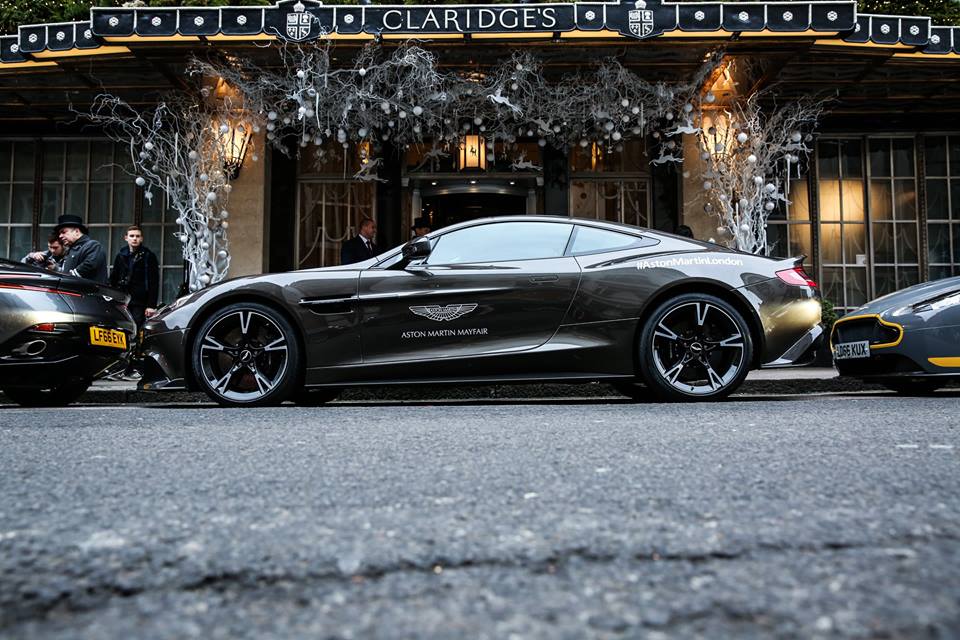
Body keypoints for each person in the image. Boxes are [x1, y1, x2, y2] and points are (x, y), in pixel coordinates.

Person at [109, 225, 160, 329]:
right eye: (132, 236)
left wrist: (151, 305)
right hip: (122, 298)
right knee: (121, 327)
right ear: (126, 238)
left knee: (136, 328)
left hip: (140, 301)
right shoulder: (121, 255)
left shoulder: (148, 256)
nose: (135, 238)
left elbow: (153, 282)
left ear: (141, 238)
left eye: (137, 236)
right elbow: (114, 277)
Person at [56, 214, 107, 283]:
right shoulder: (70, 249)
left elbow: (89, 265)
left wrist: (68, 278)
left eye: (63, 232)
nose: (60, 236)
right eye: (59, 233)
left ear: (76, 231)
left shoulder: (93, 245)